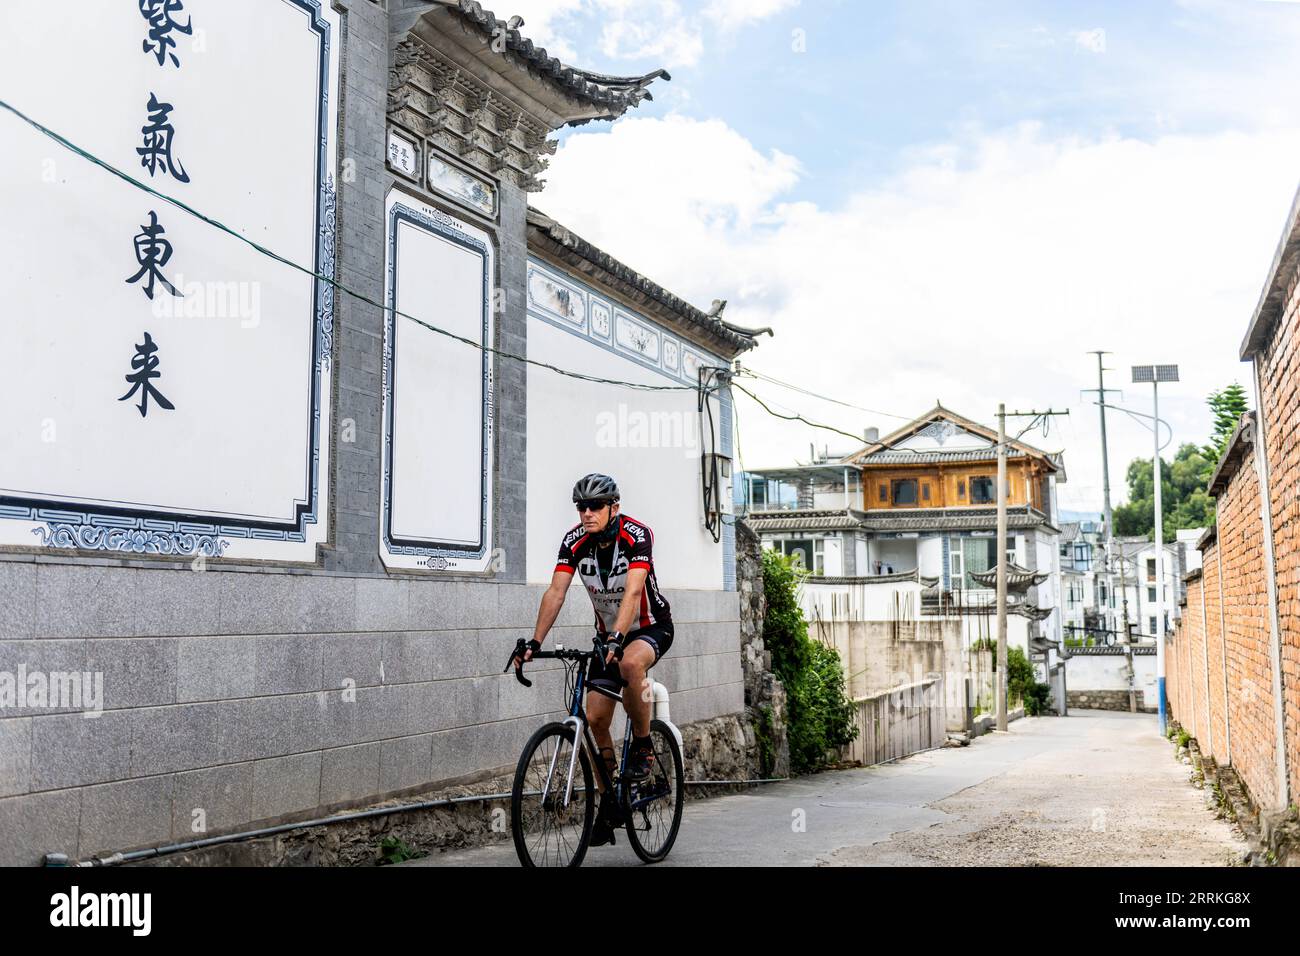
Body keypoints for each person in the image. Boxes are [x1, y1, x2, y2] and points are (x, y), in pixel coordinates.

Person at [517, 473, 674, 846]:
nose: (587, 513)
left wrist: (619, 638)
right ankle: (611, 798)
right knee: (595, 717)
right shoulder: (575, 542)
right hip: (609, 638)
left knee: (631, 664)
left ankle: (642, 746)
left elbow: (634, 592)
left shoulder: (636, 536)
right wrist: (535, 642)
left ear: (613, 507)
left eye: (595, 506)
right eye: (581, 507)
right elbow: (556, 592)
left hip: (650, 628)